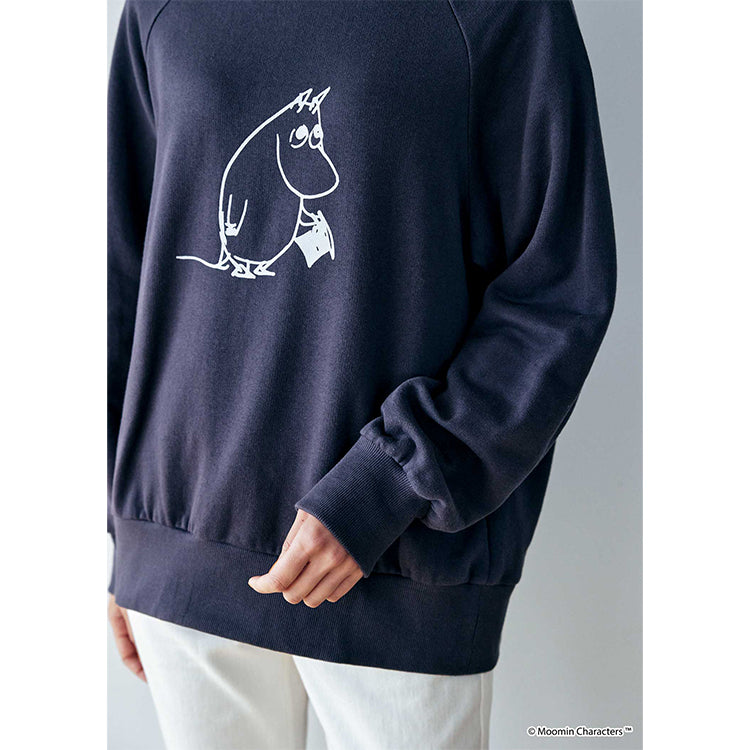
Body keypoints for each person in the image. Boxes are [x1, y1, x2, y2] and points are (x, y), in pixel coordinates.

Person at [107, 1, 617, 748]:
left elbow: (558, 291)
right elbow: (122, 271)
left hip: (398, 569)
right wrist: (126, 535)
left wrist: (389, 484)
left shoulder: (505, 12)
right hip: (180, 569)